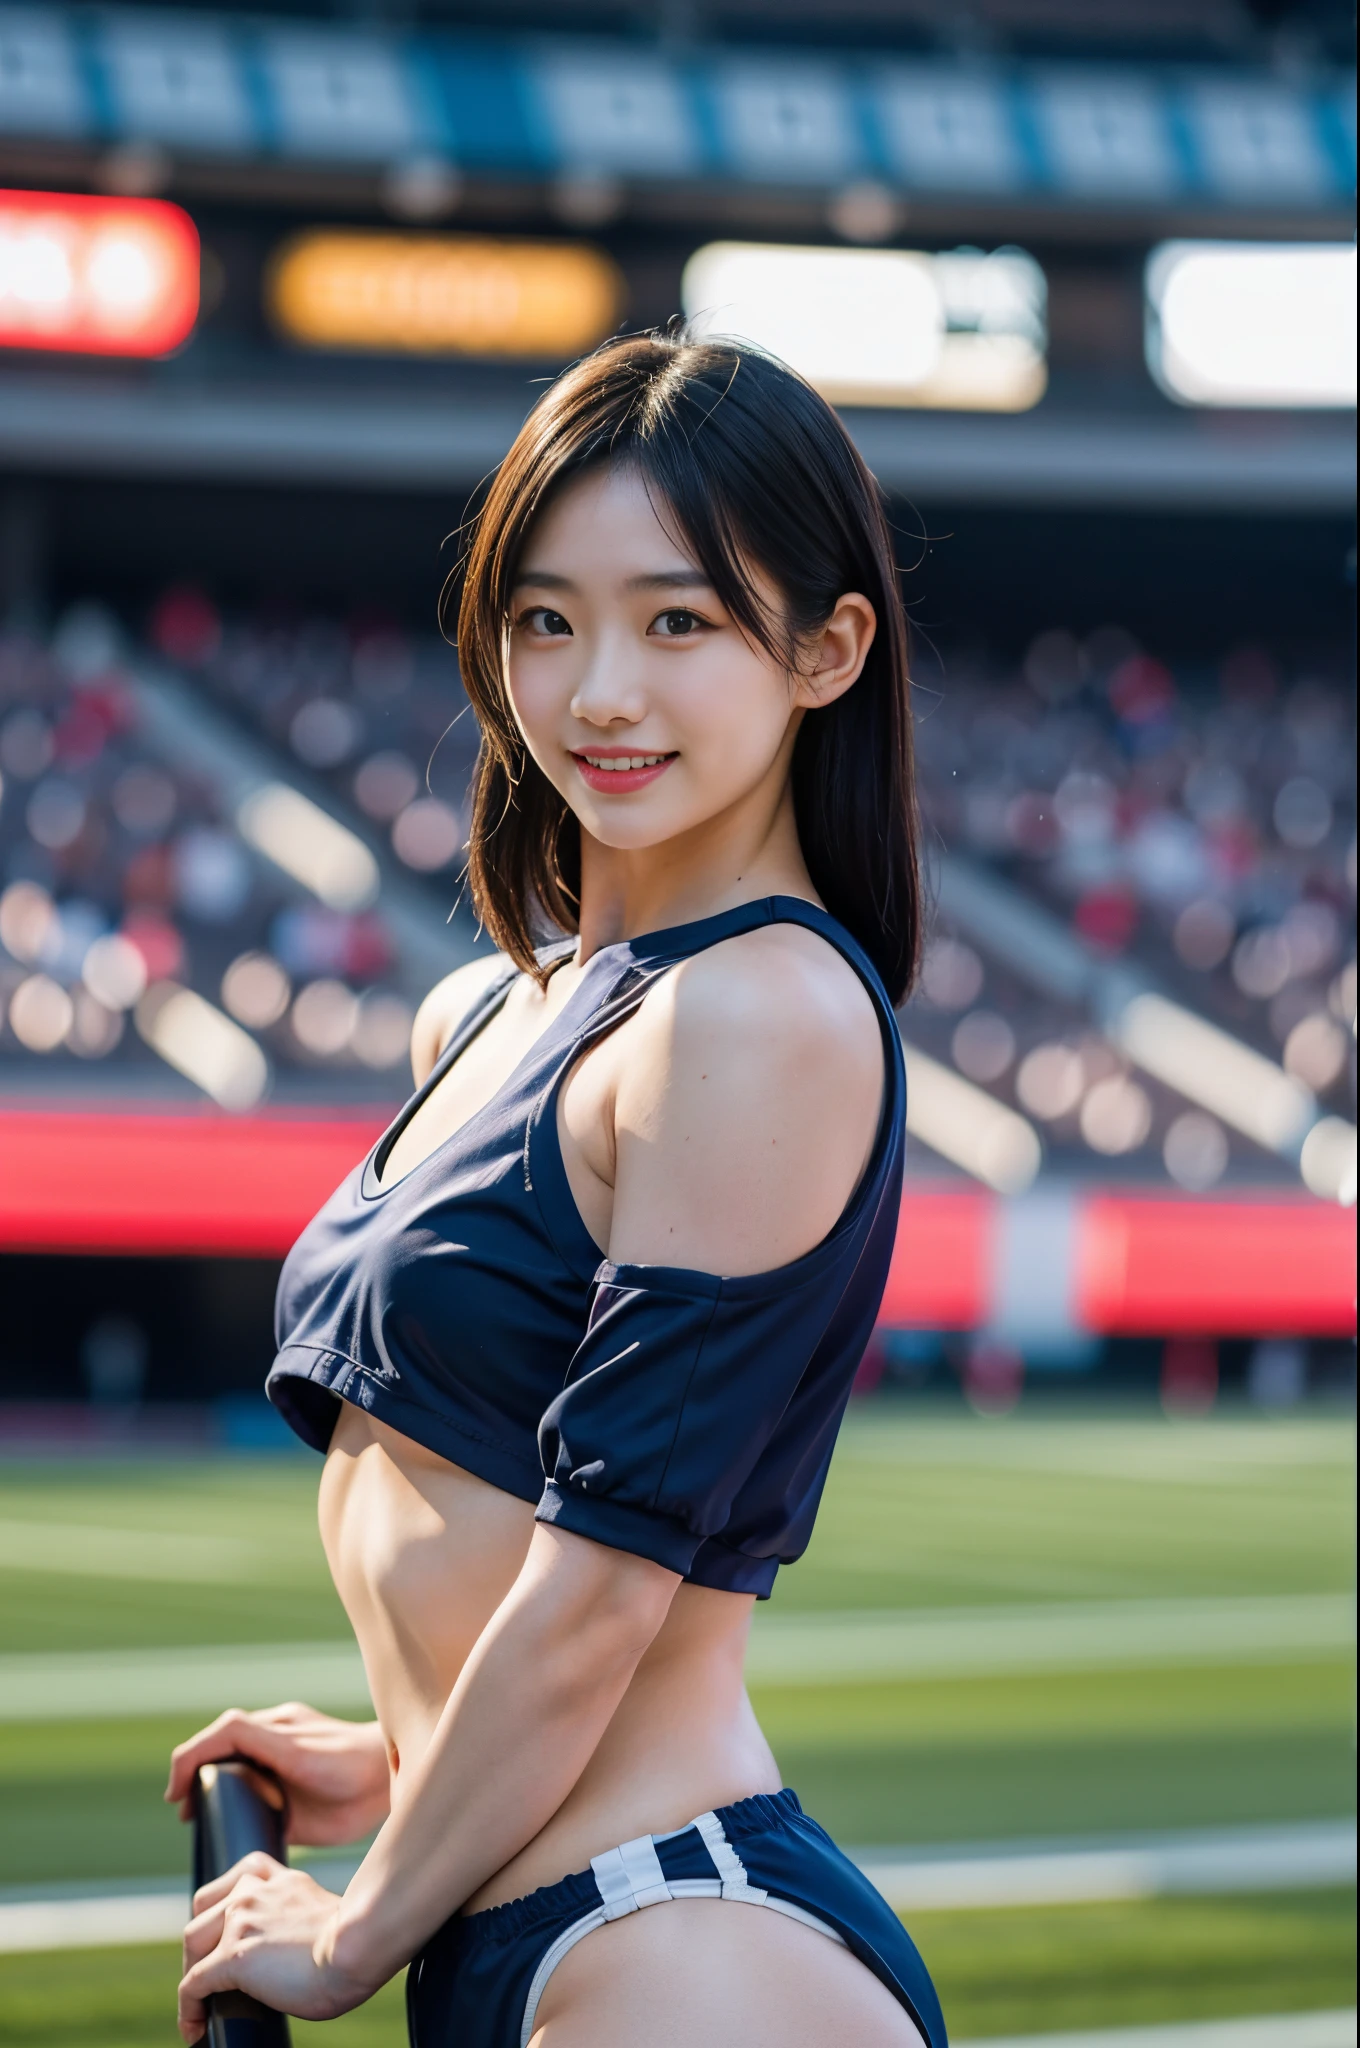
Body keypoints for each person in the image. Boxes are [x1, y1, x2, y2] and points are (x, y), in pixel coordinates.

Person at [166, 331, 946, 2048]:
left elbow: (607, 1586)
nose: (599, 690)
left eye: (678, 621)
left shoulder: (767, 1010)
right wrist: (394, 1755)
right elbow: (491, 1517)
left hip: (676, 1944)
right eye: (545, 617)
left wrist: (349, 1937)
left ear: (825, 650)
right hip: (525, 1903)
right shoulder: (488, 1007)